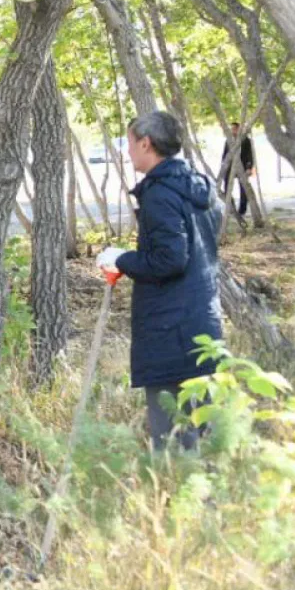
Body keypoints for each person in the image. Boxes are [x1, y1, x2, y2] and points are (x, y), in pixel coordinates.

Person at [97, 111, 223, 452]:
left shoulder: (159, 194)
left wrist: (121, 259)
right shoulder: (197, 186)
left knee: (174, 437)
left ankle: (182, 499)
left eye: (129, 143)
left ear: (146, 143)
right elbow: (188, 249)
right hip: (202, 321)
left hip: (171, 330)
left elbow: (169, 259)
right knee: (203, 432)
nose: (127, 152)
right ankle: (208, 499)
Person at [219, 122, 256, 217]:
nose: (233, 131)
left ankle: (242, 209)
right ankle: (231, 207)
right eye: (232, 129)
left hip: (242, 167)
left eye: (235, 129)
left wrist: (249, 168)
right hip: (230, 167)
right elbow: (224, 155)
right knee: (227, 187)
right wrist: (223, 167)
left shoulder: (246, 140)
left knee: (243, 188)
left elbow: (250, 155)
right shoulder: (228, 140)